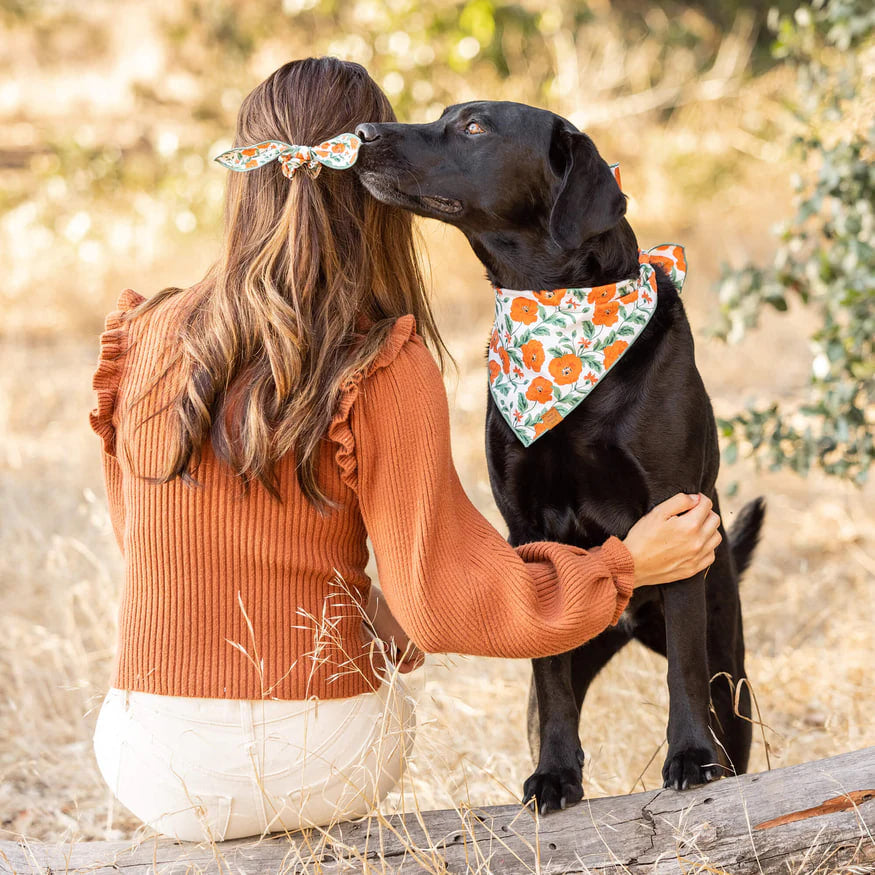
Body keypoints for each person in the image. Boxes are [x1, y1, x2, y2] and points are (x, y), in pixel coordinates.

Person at [89, 57, 722, 843]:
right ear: (367, 188)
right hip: (315, 757)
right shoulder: (377, 362)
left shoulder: (143, 333)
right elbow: (445, 602)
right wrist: (622, 566)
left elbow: (145, 537)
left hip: (143, 758)